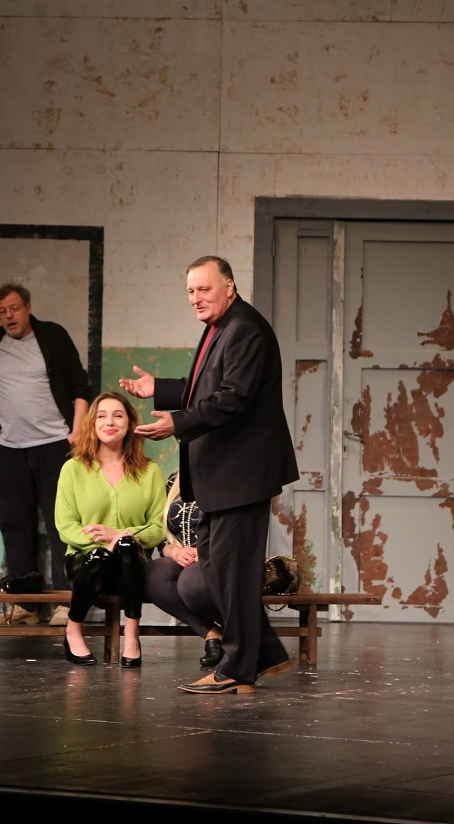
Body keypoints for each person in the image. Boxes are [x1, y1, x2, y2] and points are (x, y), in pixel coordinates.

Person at [121, 255, 299, 694]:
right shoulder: (221, 327)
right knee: (219, 572)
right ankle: (265, 653)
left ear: (229, 287)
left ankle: (239, 668)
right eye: (190, 291)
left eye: (204, 289)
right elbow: (209, 387)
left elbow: (233, 398)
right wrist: (161, 390)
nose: (196, 298)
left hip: (241, 475)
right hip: (221, 476)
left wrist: (177, 422)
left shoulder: (244, 329)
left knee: (231, 573)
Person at [0, 283, 92, 626]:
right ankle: (23, 604)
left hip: (55, 442)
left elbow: (80, 386)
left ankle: (64, 602)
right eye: (2, 312)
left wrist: (77, 430)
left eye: (14, 308)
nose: (8, 316)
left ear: (28, 307)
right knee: (15, 523)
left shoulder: (53, 336)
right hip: (10, 446)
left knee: (61, 523)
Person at [54, 391, 166, 666]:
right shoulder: (73, 469)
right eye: (101, 416)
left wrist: (120, 535)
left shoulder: (150, 471)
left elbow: (159, 527)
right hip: (86, 565)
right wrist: (104, 543)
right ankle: (73, 629)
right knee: (100, 557)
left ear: (129, 424)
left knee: (126, 545)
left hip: (132, 566)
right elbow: (65, 526)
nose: (110, 422)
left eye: (118, 416)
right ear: (92, 424)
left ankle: (132, 635)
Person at [147, 473, 224, 667]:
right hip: (182, 554)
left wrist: (205, 552)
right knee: (154, 575)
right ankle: (211, 634)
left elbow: (236, 531)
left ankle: (239, 633)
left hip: (218, 557)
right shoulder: (174, 479)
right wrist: (175, 552)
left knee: (191, 583)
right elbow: (163, 536)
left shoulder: (225, 474)